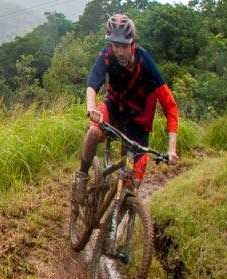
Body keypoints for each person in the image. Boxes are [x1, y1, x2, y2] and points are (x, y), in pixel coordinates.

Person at [76, 13, 179, 204]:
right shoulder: (108, 55)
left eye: (123, 46)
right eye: (115, 46)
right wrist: (91, 107)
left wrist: (171, 148)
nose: (119, 51)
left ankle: (117, 222)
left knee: (130, 187)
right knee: (92, 132)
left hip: (138, 123)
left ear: (133, 44)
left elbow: (170, 107)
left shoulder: (145, 63)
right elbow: (93, 82)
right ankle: (81, 177)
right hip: (113, 108)